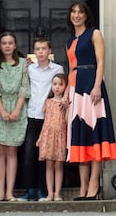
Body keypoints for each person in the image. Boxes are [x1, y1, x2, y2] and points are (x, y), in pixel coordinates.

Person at [63, 1, 116, 201]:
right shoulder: (69, 41)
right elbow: (71, 68)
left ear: (86, 15)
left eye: (80, 12)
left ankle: (94, 185)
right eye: (73, 12)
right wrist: (68, 93)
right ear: (70, 15)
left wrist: (96, 86)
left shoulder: (94, 34)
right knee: (80, 135)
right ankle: (83, 187)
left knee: (94, 133)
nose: (76, 15)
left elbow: (101, 61)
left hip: (92, 86)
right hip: (76, 89)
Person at [17, 37, 64, 202]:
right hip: (32, 116)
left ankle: (44, 192)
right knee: (29, 155)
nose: (41, 52)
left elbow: (63, 90)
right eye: (37, 49)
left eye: (44, 48)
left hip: (50, 119)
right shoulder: (29, 69)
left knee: (46, 157)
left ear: (49, 51)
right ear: (34, 52)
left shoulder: (58, 69)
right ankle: (29, 191)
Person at [0, 32, 30, 202]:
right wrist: (3, 110)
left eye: (10, 43)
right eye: (4, 43)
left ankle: (10, 193)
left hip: (18, 108)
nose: (7, 46)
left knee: (12, 150)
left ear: (15, 45)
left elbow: (24, 88)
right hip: (0, 109)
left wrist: (17, 110)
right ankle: (0, 193)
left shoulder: (23, 65)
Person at [36, 73, 68, 201]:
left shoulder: (65, 104)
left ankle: (57, 193)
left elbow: (66, 121)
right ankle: (49, 193)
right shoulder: (48, 102)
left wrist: (67, 105)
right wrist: (40, 137)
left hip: (60, 136)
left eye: (61, 84)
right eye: (55, 84)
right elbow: (46, 121)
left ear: (65, 86)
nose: (57, 87)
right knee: (49, 165)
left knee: (59, 165)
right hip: (48, 136)